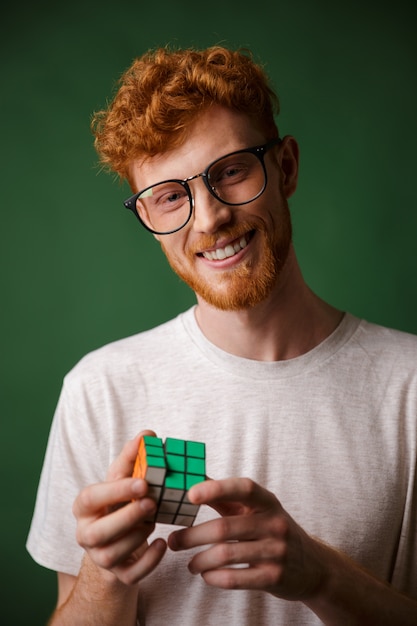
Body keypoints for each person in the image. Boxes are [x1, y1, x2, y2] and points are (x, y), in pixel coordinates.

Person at [27, 45, 417, 625]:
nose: (208, 220)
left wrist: (322, 575)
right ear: (149, 223)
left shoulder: (408, 387)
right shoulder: (100, 388)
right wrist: (104, 576)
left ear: (284, 168)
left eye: (230, 171)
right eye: (169, 197)